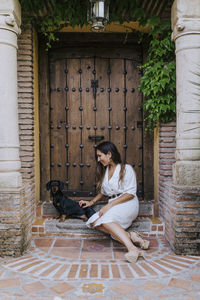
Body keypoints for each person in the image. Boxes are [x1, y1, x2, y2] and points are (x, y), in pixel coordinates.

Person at [79, 141, 149, 263]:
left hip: (128, 204)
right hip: (114, 206)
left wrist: (109, 205)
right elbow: (103, 192)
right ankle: (131, 236)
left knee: (106, 219)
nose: (98, 159)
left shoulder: (126, 169)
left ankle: (132, 249)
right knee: (94, 221)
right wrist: (91, 202)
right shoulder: (105, 171)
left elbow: (130, 193)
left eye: (100, 156)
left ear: (109, 154)